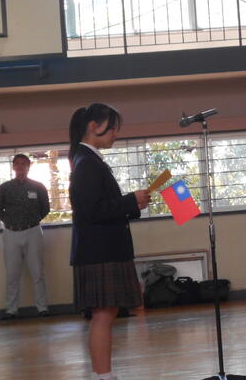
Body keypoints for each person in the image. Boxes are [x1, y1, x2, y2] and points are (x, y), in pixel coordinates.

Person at [69, 103, 151, 380]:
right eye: (113, 127)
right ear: (94, 126)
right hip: (100, 251)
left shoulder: (88, 160)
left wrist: (132, 203)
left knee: (106, 314)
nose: (116, 133)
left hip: (102, 249)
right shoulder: (87, 163)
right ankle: (103, 375)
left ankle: (104, 374)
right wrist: (130, 200)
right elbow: (92, 211)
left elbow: (101, 206)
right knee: (103, 316)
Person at [0, 153, 50, 319]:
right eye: (17, 164)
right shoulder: (4, 188)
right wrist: (11, 221)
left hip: (33, 232)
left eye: (23, 164)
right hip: (11, 233)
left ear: (28, 166)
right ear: (13, 167)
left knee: (37, 272)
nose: (20, 167)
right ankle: (11, 310)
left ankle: (42, 308)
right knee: (12, 274)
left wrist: (32, 220)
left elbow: (45, 208)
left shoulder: (38, 186)